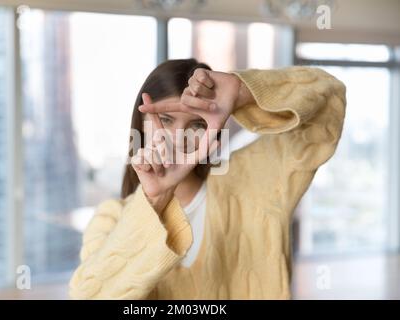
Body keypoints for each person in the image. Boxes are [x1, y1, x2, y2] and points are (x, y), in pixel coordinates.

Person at [69, 58, 346, 299]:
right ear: (139, 123)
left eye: (197, 125)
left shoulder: (253, 179)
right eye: (165, 119)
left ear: (214, 131)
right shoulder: (111, 218)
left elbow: (329, 102)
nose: (178, 138)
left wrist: (242, 90)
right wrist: (155, 200)